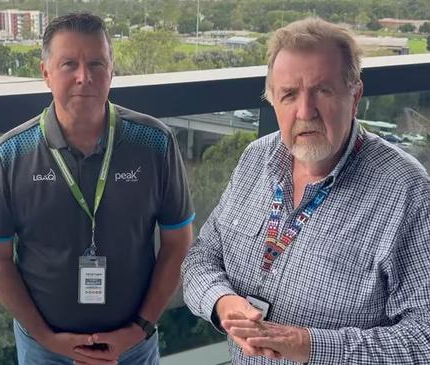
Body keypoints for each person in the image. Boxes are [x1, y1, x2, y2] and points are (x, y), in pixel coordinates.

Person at [182, 17, 430, 364]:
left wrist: (309, 346)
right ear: (272, 101)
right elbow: (202, 256)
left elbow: (423, 340)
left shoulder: (407, 192)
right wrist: (223, 302)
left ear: (354, 96)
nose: (305, 111)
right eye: (289, 94)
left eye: (323, 91)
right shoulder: (257, 158)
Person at [0, 12, 193, 365]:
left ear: (112, 70)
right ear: (45, 72)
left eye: (96, 63)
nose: (84, 77)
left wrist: (139, 328)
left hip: (132, 346)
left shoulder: (154, 143)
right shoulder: (11, 154)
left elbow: (178, 242)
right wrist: (46, 337)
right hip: (44, 348)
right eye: (68, 64)